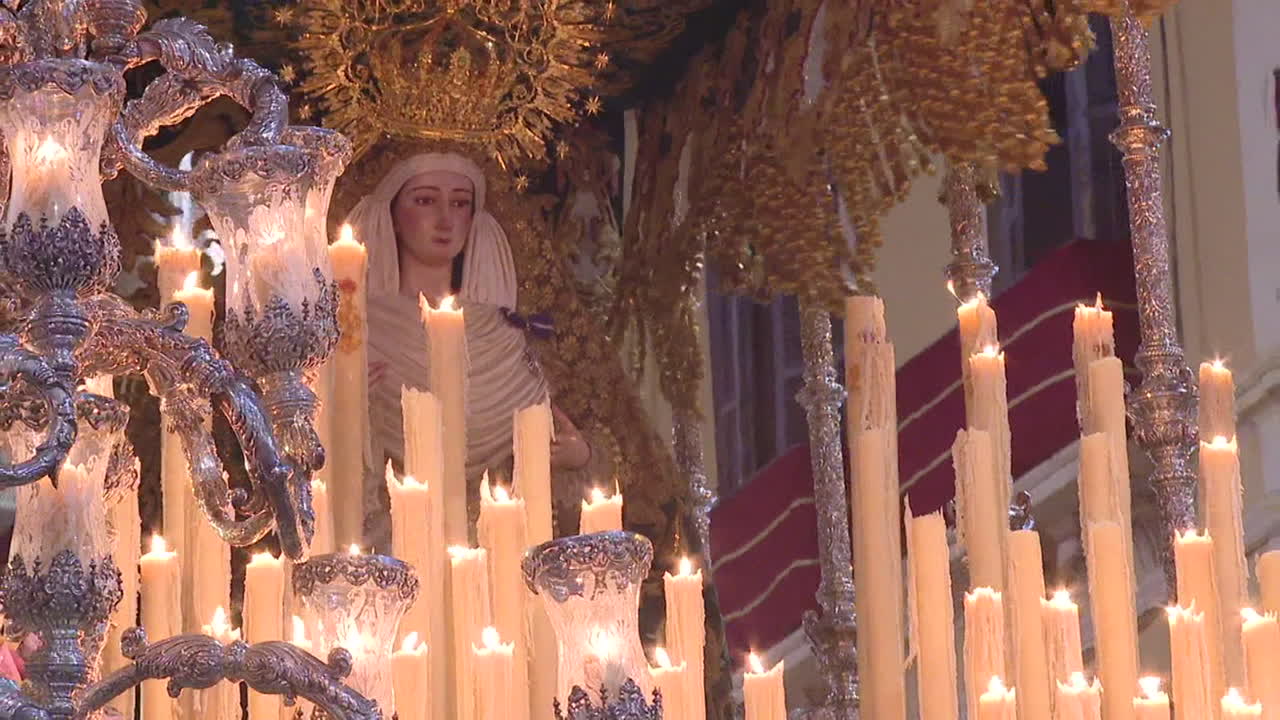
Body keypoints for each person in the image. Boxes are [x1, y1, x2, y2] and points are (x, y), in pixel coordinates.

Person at [348, 152, 599, 538]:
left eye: (461, 203)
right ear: (394, 214)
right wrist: (345, 410)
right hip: (389, 548)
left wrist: (577, 456)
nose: (447, 220)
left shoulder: (506, 332)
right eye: (425, 200)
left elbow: (584, 447)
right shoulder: (356, 330)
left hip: (499, 549)